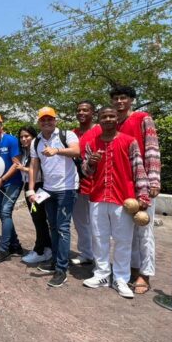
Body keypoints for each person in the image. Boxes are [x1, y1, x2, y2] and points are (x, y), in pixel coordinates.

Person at [81, 106, 150, 299]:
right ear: (99, 120)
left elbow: (139, 169)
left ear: (116, 118)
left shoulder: (129, 141)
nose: (108, 119)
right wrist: (91, 163)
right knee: (99, 238)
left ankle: (121, 278)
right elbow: (86, 171)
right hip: (97, 197)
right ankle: (102, 274)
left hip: (123, 198)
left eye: (112, 116)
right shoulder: (92, 142)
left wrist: (143, 196)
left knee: (123, 241)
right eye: (104, 117)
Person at [111, 85, 161, 294]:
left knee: (144, 229)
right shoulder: (114, 124)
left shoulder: (142, 118)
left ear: (131, 99)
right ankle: (131, 268)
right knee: (126, 231)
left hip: (142, 183)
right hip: (123, 184)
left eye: (123, 98)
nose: (119, 102)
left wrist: (154, 181)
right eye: (116, 99)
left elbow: (151, 148)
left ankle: (145, 273)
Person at [27, 107, 80, 285]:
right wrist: (31, 189)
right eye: (43, 120)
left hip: (67, 188)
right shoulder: (36, 141)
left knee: (63, 228)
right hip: (48, 189)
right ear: (39, 122)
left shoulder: (67, 135)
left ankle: (61, 269)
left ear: (55, 120)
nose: (47, 122)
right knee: (53, 226)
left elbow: (76, 151)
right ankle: (56, 260)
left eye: (50, 119)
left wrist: (57, 150)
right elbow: (34, 166)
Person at [0, 113, 27, 263]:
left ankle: (4, 249)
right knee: (1, 213)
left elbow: (17, 163)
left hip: (12, 182)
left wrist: (2, 179)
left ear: (1, 125)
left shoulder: (11, 140)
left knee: (5, 211)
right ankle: (15, 245)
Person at [17, 126, 52, 264]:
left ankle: (40, 250)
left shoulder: (38, 149)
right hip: (29, 187)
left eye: (27, 136)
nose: (24, 139)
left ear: (33, 136)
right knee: (38, 219)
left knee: (39, 219)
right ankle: (47, 248)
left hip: (39, 187)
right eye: (21, 137)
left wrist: (23, 168)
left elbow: (39, 169)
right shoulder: (25, 152)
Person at [71, 100, 99, 266]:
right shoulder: (72, 133)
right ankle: (86, 253)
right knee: (80, 221)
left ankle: (99, 258)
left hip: (96, 184)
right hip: (77, 184)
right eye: (79, 110)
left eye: (85, 110)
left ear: (93, 112)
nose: (81, 113)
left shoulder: (99, 130)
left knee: (97, 224)